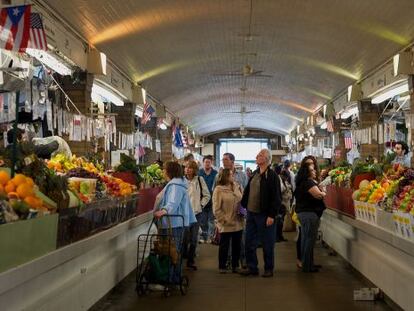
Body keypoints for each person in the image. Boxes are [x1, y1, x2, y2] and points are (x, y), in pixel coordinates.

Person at [240, 149, 282, 277]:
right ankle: (252, 267)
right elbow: (248, 192)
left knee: (267, 243)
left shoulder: (272, 176)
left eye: (261, 155)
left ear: (267, 159)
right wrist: (243, 206)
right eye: (258, 154)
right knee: (249, 241)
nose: (257, 156)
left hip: (265, 214)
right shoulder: (255, 173)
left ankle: (268, 268)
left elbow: (276, 197)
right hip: (251, 213)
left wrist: (271, 215)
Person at [154, 161, 197, 281]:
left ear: (169, 171)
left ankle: (172, 278)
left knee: (172, 252)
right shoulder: (177, 183)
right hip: (174, 222)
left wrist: (163, 211)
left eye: (164, 170)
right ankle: (172, 276)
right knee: (173, 251)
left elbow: (173, 202)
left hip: (174, 223)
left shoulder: (175, 185)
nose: (163, 172)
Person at [294, 162, 326, 273]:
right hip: (309, 214)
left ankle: (308, 263)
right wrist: (324, 192)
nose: (315, 171)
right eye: (312, 170)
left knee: (305, 239)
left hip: (304, 214)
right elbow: (318, 195)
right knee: (309, 240)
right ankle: (307, 266)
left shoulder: (303, 182)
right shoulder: (308, 183)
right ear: (307, 172)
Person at [212, 168, 243, 274]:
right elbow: (216, 208)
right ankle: (222, 265)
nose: (232, 176)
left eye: (232, 174)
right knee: (224, 246)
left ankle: (235, 265)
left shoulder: (237, 186)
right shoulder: (218, 189)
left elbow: (242, 200)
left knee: (237, 245)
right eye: (230, 175)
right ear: (225, 176)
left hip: (238, 221)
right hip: (226, 222)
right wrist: (222, 219)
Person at [183, 160, 210, 270]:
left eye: (190, 168)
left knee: (194, 239)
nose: (188, 169)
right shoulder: (181, 181)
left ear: (194, 170)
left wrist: (201, 205)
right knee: (184, 238)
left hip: (196, 214)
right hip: (184, 214)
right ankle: (183, 258)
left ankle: (190, 261)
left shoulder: (199, 179)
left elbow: (207, 195)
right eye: (186, 167)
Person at [198, 155, 218, 243]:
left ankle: (210, 237)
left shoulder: (215, 173)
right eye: (206, 162)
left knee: (211, 220)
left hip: (213, 200)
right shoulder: (199, 173)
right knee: (203, 221)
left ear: (211, 163)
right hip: (202, 200)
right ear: (203, 163)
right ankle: (204, 237)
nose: (207, 164)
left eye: (209, 162)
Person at [275, 164, 292, 242]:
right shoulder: (278, 179)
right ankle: (277, 237)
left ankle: (280, 236)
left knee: (281, 221)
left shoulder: (283, 180)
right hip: (280, 203)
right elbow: (280, 191)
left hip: (284, 204)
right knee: (279, 221)